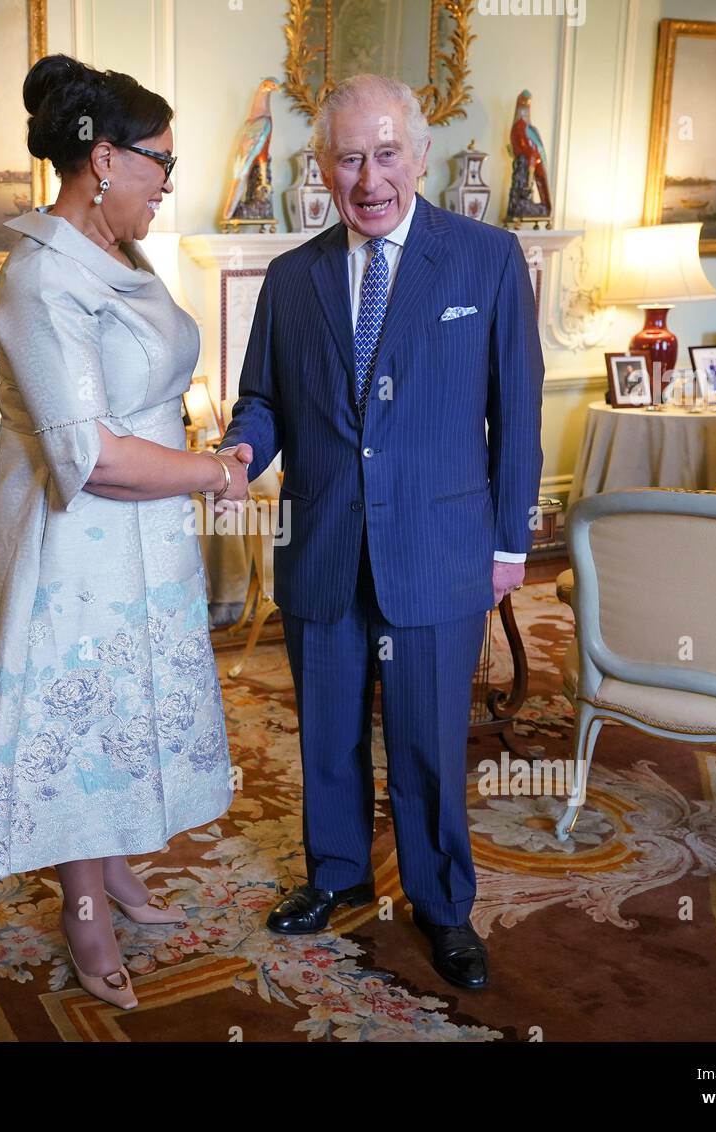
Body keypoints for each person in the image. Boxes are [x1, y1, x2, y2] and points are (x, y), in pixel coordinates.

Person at [216, 73, 544, 991]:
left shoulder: (485, 259)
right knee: (326, 732)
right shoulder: (291, 277)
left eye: (387, 153)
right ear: (321, 165)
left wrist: (509, 545)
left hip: (440, 554)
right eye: (349, 158)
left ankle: (442, 906)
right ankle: (336, 877)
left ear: (422, 154)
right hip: (324, 545)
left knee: (430, 741)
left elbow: (516, 415)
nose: (369, 180)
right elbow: (266, 398)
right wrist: (241, 450)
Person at [0, 54, 248, 1011]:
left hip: (145, 531)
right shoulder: (37, 280)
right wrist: (212, 473)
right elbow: (91, 455)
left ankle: (111, 862)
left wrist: (204, 457)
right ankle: (84, 909)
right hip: (72, 537)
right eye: (162, 160)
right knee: (79, 710)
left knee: (129, 699)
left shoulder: (123, 249)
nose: (171, 181)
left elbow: (145, 385)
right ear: (105, 159)